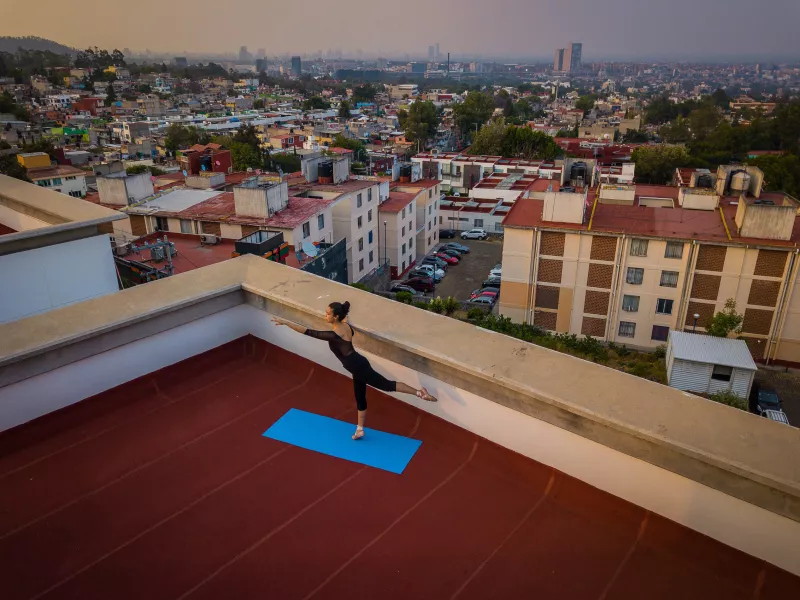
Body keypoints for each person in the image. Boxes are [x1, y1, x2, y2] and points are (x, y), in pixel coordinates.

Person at [271, 301, 437, 440]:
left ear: (336, 316)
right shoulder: (346, 325)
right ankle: (360, 429)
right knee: (360, 397)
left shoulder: (334, 335)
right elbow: (344, 318)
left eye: (328, 313)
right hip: (357, 365)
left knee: (387, 385)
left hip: (358, 366)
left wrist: (286, 323)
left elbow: (308, 331)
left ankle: (419, 392)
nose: (325, 315)